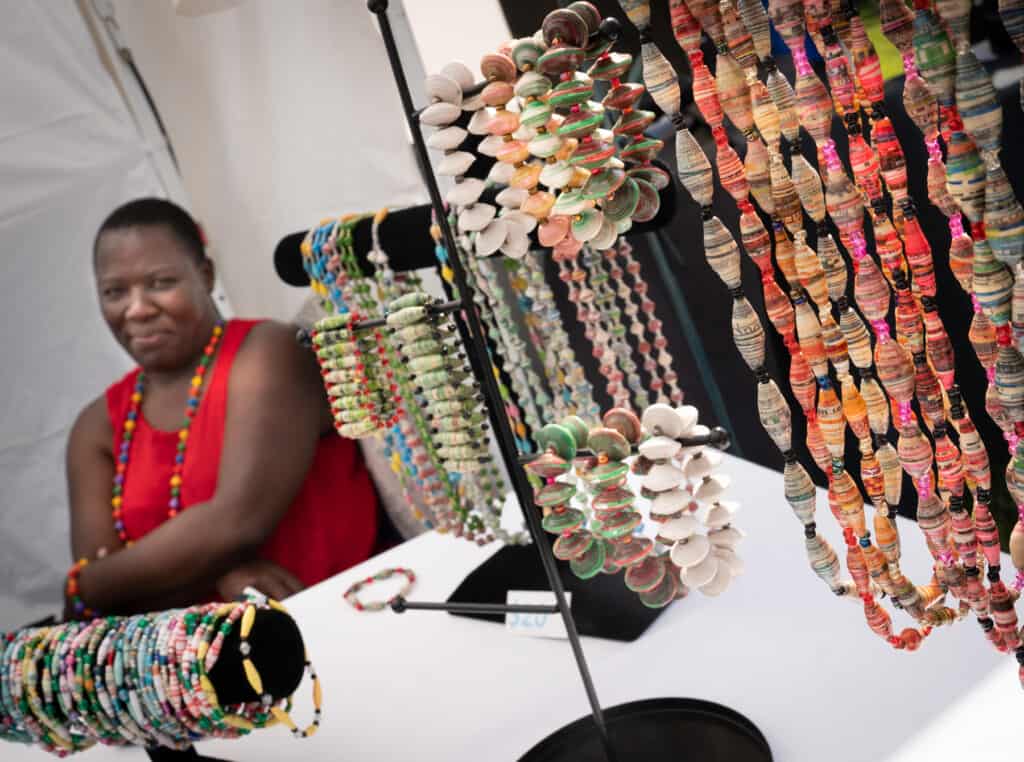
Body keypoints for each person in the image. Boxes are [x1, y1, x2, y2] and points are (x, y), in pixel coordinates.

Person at [65, 198, 379, 616]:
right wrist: (220, 575)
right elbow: (92, 595)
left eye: (160, 282)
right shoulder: (96, 428)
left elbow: (237, 523)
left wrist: (107, 581)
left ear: (206, 275)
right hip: (192, 671)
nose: (136, 309)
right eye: (114, 291)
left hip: (349, 619)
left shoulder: (268, 353)